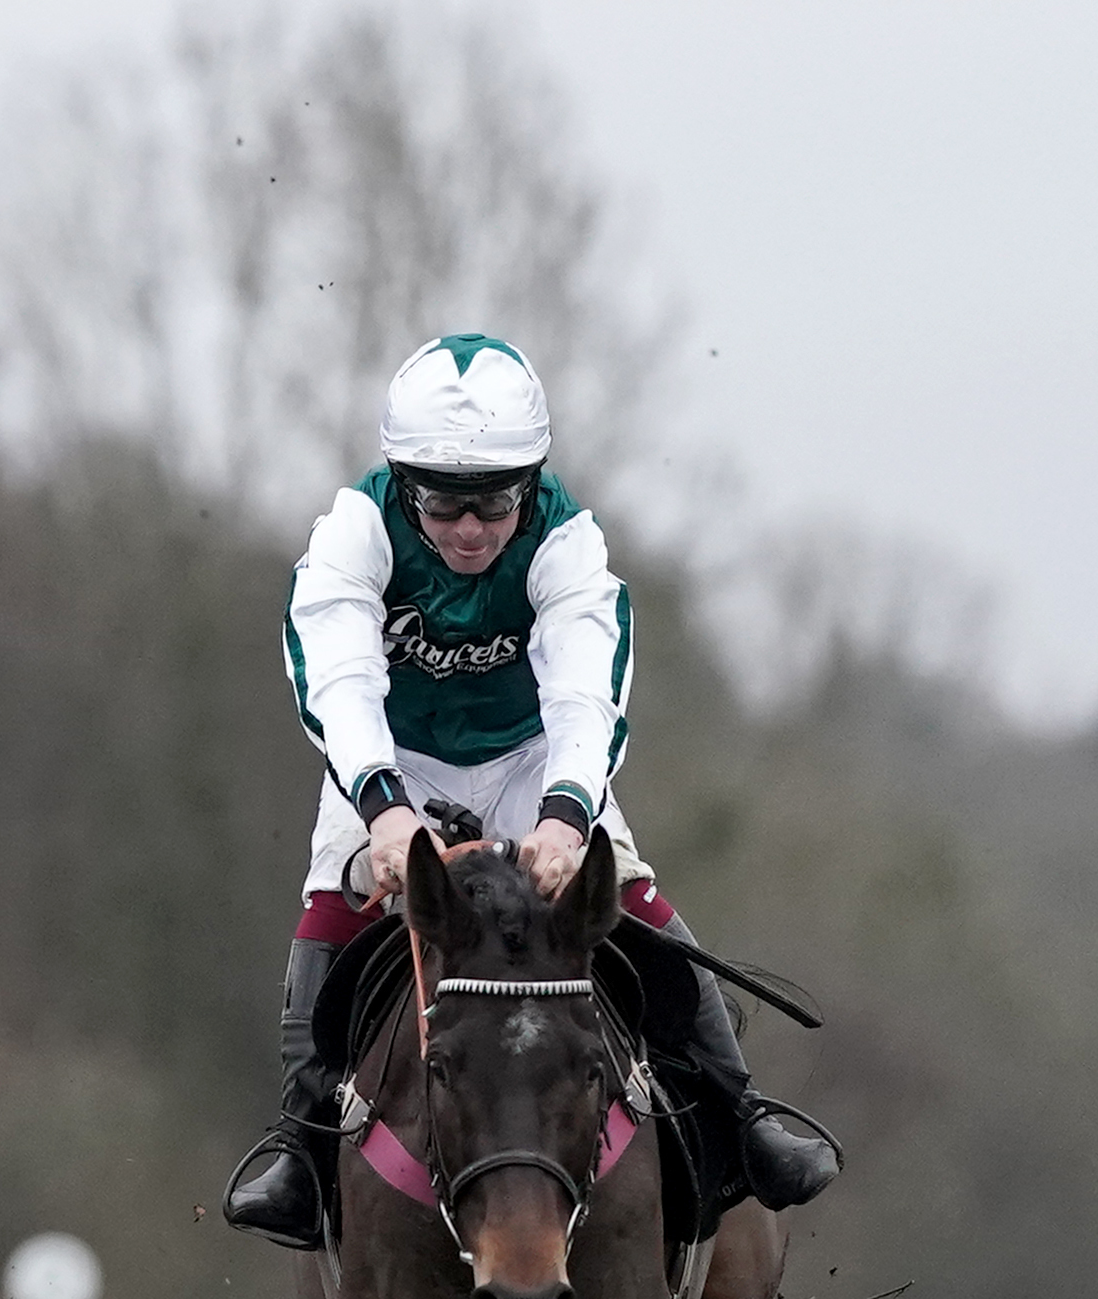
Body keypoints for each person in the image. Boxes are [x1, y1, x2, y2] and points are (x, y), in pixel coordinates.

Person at [223, 336, 839, 1249]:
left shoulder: (567, 539)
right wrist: (382, 809)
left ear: (531, 483)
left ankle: (739, 1114)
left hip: (532, 756)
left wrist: (566, 817)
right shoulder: (354, 531)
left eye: (496, 500)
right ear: (403, 484)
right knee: (332, 902)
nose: (471, 529)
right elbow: (338, 677)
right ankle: (300, 1147)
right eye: (443, 501)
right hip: (392, 759)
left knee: (627, 891)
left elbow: (587, 692)